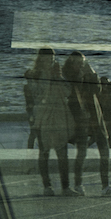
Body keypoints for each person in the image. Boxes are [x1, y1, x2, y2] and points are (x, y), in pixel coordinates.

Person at [63, 52, 111, 198]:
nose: (81, 65)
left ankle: (105, 186)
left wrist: (91, 72)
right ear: (71, 63)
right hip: (81, 119)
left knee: (104, 151)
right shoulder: (70, 78)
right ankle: (78, 184)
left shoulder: (88, 75)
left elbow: (97, 89)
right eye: (78, 63)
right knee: (81, 152)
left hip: (95, 117)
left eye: (83, 63)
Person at [28, 48, 75, 196]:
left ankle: (66, 187)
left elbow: (68, 92)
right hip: (43, 116)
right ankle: (47, 186)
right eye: (47, 59)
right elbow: (35, 94)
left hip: (60, 115)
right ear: (40, 60)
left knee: (63, 153)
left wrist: (59, 78)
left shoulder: (58, 74)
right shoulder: (35, 75)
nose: (50, 62)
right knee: (44, 152)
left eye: (52, 59)